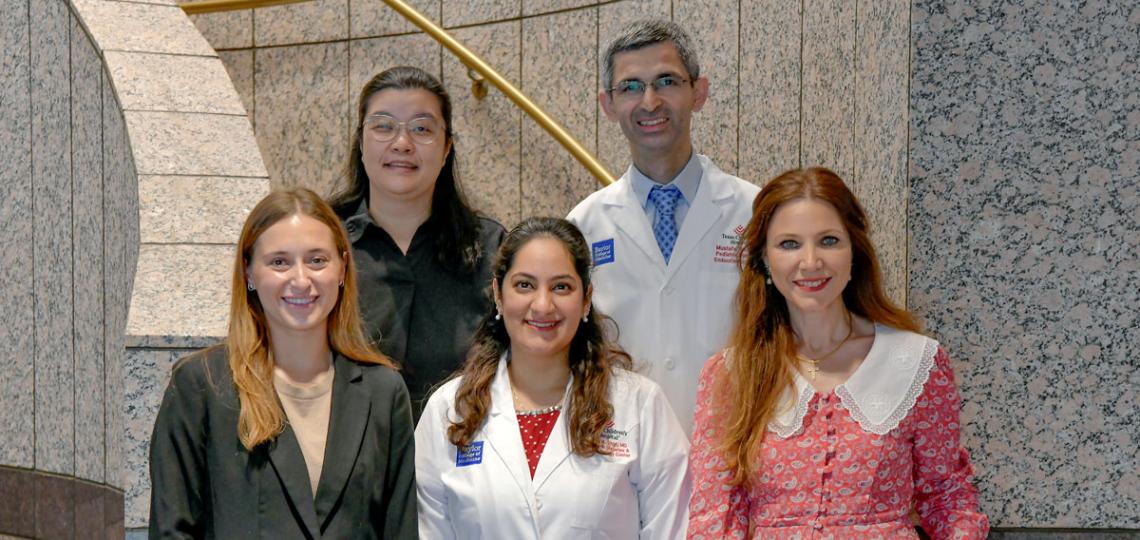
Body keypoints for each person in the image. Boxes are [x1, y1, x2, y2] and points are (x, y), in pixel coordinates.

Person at [687, 168, 989, 539]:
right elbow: (715, 518)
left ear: (854, 252)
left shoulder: (916, 363)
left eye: (828, 240)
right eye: (789, 244)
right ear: (764, 260)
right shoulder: (730, 374)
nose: (811, 261)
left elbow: (947, 497)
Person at [149, 189, 417, 539]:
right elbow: (173, 531)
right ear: (248, 272)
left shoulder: (383, 392)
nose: (301, 280)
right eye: (279, 262)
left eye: (317, 260)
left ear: (342, 268)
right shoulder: (203, 386)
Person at [415, 217, 691, 538]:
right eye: (524, 285)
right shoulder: (448, 412)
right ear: (498, 295)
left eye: (561, 287)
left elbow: (672, 529)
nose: (543, 305)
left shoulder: (640, 406)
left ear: (586, 298)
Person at [567, 19, 759, 433]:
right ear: (607, 104)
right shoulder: (582, 226)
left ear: (699, 92)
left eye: (667, 81)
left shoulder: (755, 212)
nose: (650, 101)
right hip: (625, 450)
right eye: (631, 87)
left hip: (733, 445)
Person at [329, 66, 506, 419]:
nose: (402, 143)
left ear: (446, 148)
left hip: (460, 456)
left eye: (422, 129)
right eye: (383, 126)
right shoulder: (322, 242)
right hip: (344, 461)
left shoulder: (490, 247)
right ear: (361, 143)